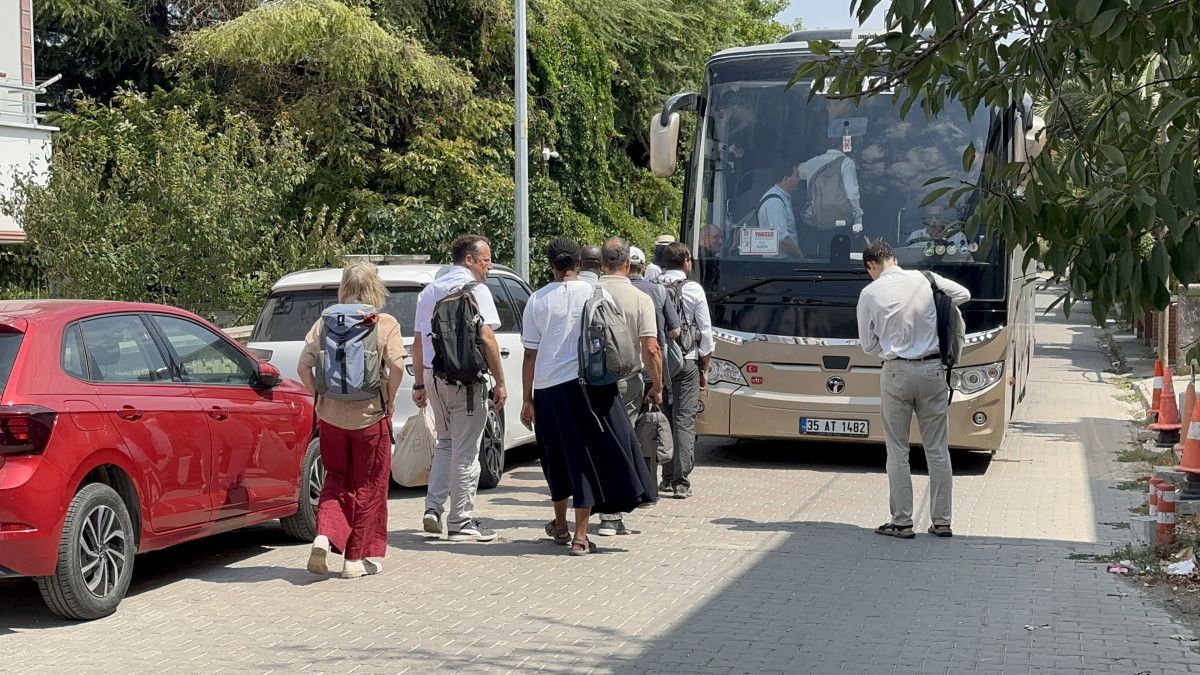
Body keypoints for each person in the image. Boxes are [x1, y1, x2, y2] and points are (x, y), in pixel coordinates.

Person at [520, 238, 654, 556]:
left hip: (549, 390)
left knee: (555, 458)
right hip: (591, 388)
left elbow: (530, 355)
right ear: (579, 264)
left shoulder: (537, 300)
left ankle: (560, 524)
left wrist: (527, 399)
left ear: (551, 264)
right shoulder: (598, 293)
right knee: (586, 457)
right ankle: (581, 536)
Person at [297, 261, 406, 578]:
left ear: (343, 287)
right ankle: (353, 560)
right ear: (376, 288)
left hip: (330, 418)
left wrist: (320, 396)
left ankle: (323, 535)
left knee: (336, 479)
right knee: (368, 486)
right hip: (369, 418)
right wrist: (389, 398)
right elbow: (397, 366)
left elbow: (304, 367)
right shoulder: (384, 323)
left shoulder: (324, 323)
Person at [856, 239, 970, 539]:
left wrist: (892, 344)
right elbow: (963, 294)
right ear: (893, 258)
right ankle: (942, 521)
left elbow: (867, 345)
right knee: (937, 448)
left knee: (897, 450)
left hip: (896, 373)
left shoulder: (870, 292)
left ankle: (903, 522)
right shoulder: (925, 279)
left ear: (871, 265)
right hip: (933, 370)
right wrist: (934, 306)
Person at [412, 234, 508, 542]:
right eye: (485, 260)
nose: (488, 266)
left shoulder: (429, 292)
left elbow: (417, 340)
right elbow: (488, 338)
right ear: (469, 260)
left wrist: (418, 383)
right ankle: (461, 521)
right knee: (467, 452)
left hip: (433, 376)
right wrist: (501, 381)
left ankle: (432, 509)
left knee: (445, 443)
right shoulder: (478, 291)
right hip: (467, 382)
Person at [596, 238, 665, 536]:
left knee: (595, 442)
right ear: (627, 264)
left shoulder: (588, 292)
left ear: (602, 264)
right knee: (620, 444)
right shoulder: (639, 298)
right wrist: (658, 385)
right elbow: (651, 348)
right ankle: (611, 515)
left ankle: (594, 508)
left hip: (587, 380)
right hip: (626, 383)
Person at [656, 242, 714, 499]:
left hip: (658, 362)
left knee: (664, 418)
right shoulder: (693, 289)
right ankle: (681, 481)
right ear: (687, 261)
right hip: (687, 361)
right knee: (684, 420)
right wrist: (705, 367)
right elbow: (706, 333)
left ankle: (666, 477)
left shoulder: (653, 285)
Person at [629, 245, 681, 502]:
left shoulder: (613, 291)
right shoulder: (658, 291)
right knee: (655, 426)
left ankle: (629, 484)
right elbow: (675, 330)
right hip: (652, 371)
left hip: (624, 374)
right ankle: (658, 483)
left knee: (628, 429)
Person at [797, 142, 864, 231]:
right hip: (842, 222)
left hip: (817, 223)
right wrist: (858, 221)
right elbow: (852, 193)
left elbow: (794, 174)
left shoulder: (811, 163)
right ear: (842, 145)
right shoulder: (846, 162)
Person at [756, 159, 806, 259]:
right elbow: (781, 239)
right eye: (796, 175)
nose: (798, 179)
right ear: (785, 178)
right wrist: (800, 256)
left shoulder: (782, 198)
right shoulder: (775, 202)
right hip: (778, 264)